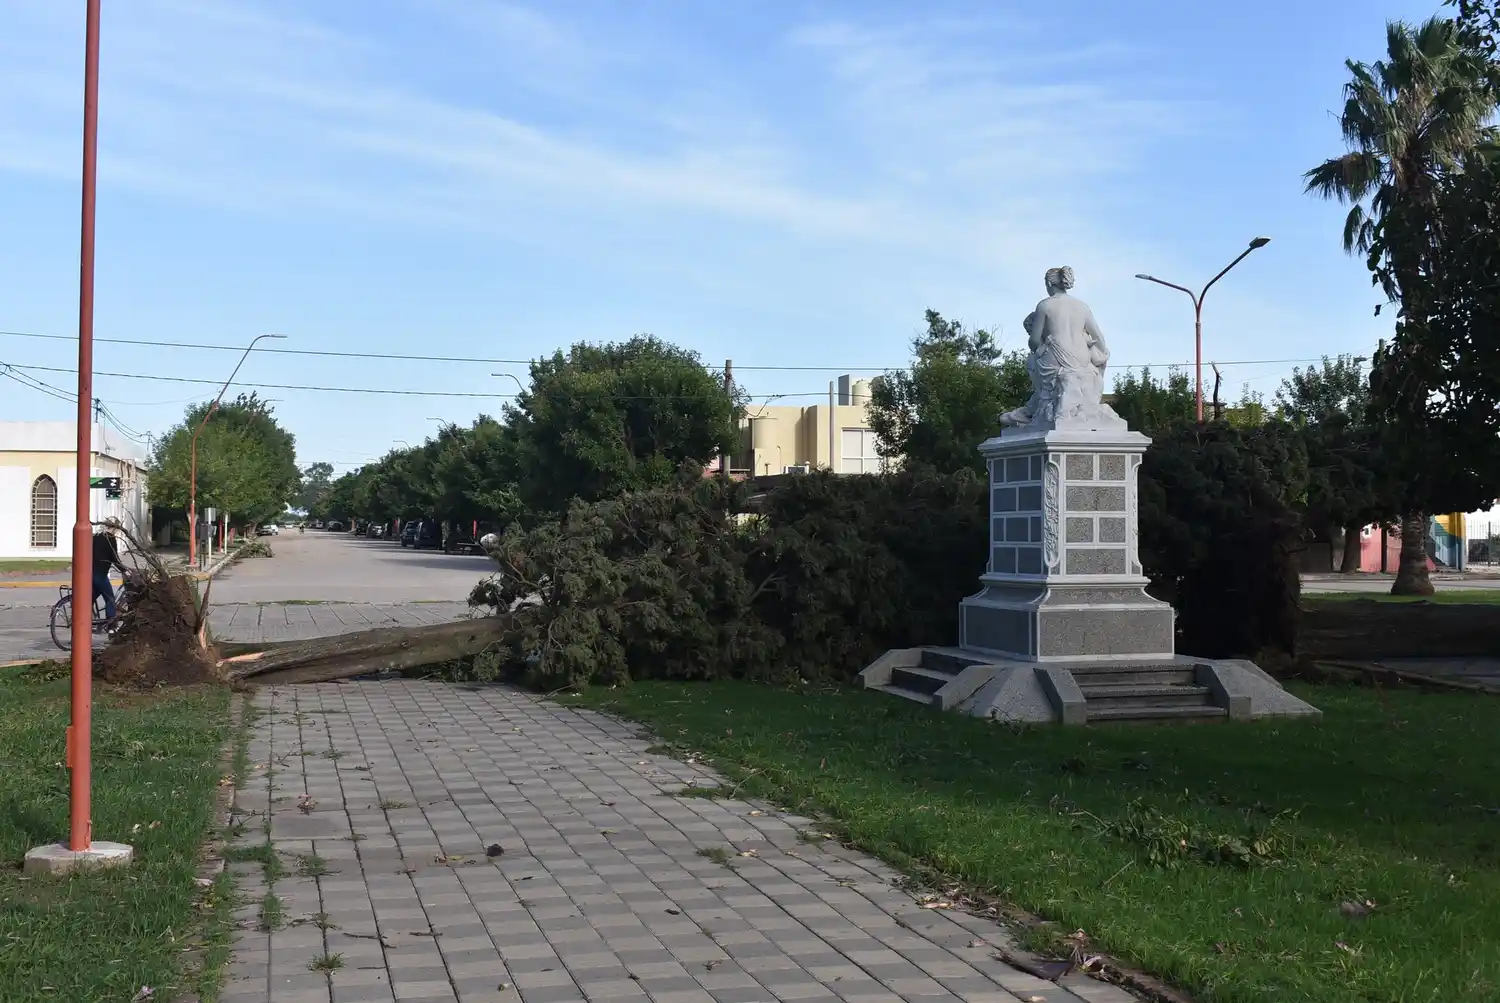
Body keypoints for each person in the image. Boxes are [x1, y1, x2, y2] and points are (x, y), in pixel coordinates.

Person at [92, 522, 127, 629]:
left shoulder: (95, 537)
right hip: (100, 574)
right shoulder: (110, 539)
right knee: (110, 599)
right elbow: (114, 558)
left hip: (90, 573)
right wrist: (124, 570)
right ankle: (111, 627)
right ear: (114, 529)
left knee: (91, 597)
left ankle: (90, 623)